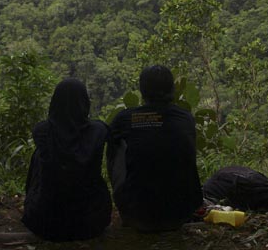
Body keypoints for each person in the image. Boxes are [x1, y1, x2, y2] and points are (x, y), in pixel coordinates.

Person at [107, 65, 203, 232]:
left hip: (138, 215)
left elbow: (111, 159)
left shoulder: (124, 119)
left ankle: (126, 202)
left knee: (116, 146)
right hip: (180, 215)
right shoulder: (185, 118)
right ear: (172, 89)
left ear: (142, 90)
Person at [21, 78, 111, 241]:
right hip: (91, 222)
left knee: (38, 155)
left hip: (44, 222)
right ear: (84, 102)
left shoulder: (41, 131)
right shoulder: (98, 131)